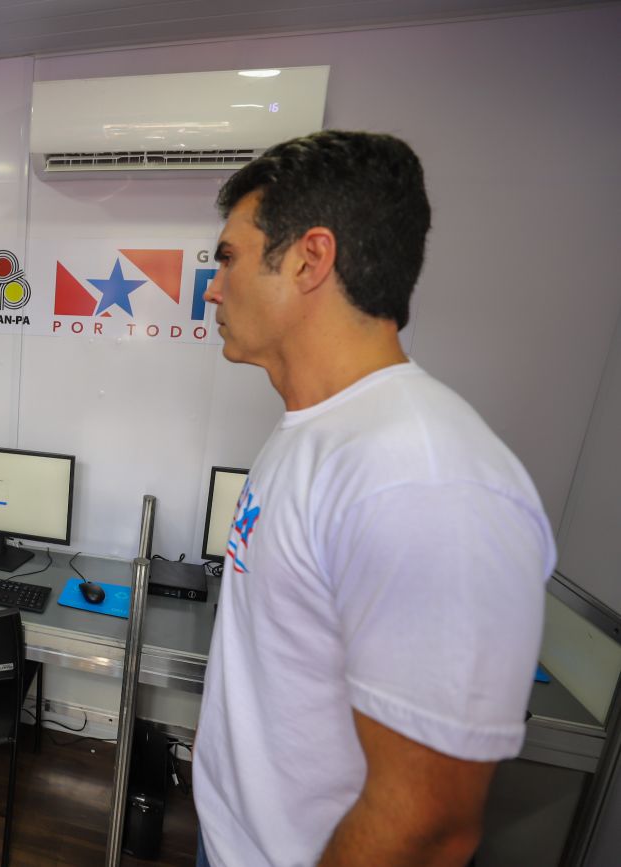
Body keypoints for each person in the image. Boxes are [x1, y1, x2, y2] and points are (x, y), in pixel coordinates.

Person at [192, 131, 555, 867]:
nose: (213, 287)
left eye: (228, 257)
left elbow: (426, 826)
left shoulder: (423, 479)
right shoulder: (316, 431)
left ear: (310, 258)